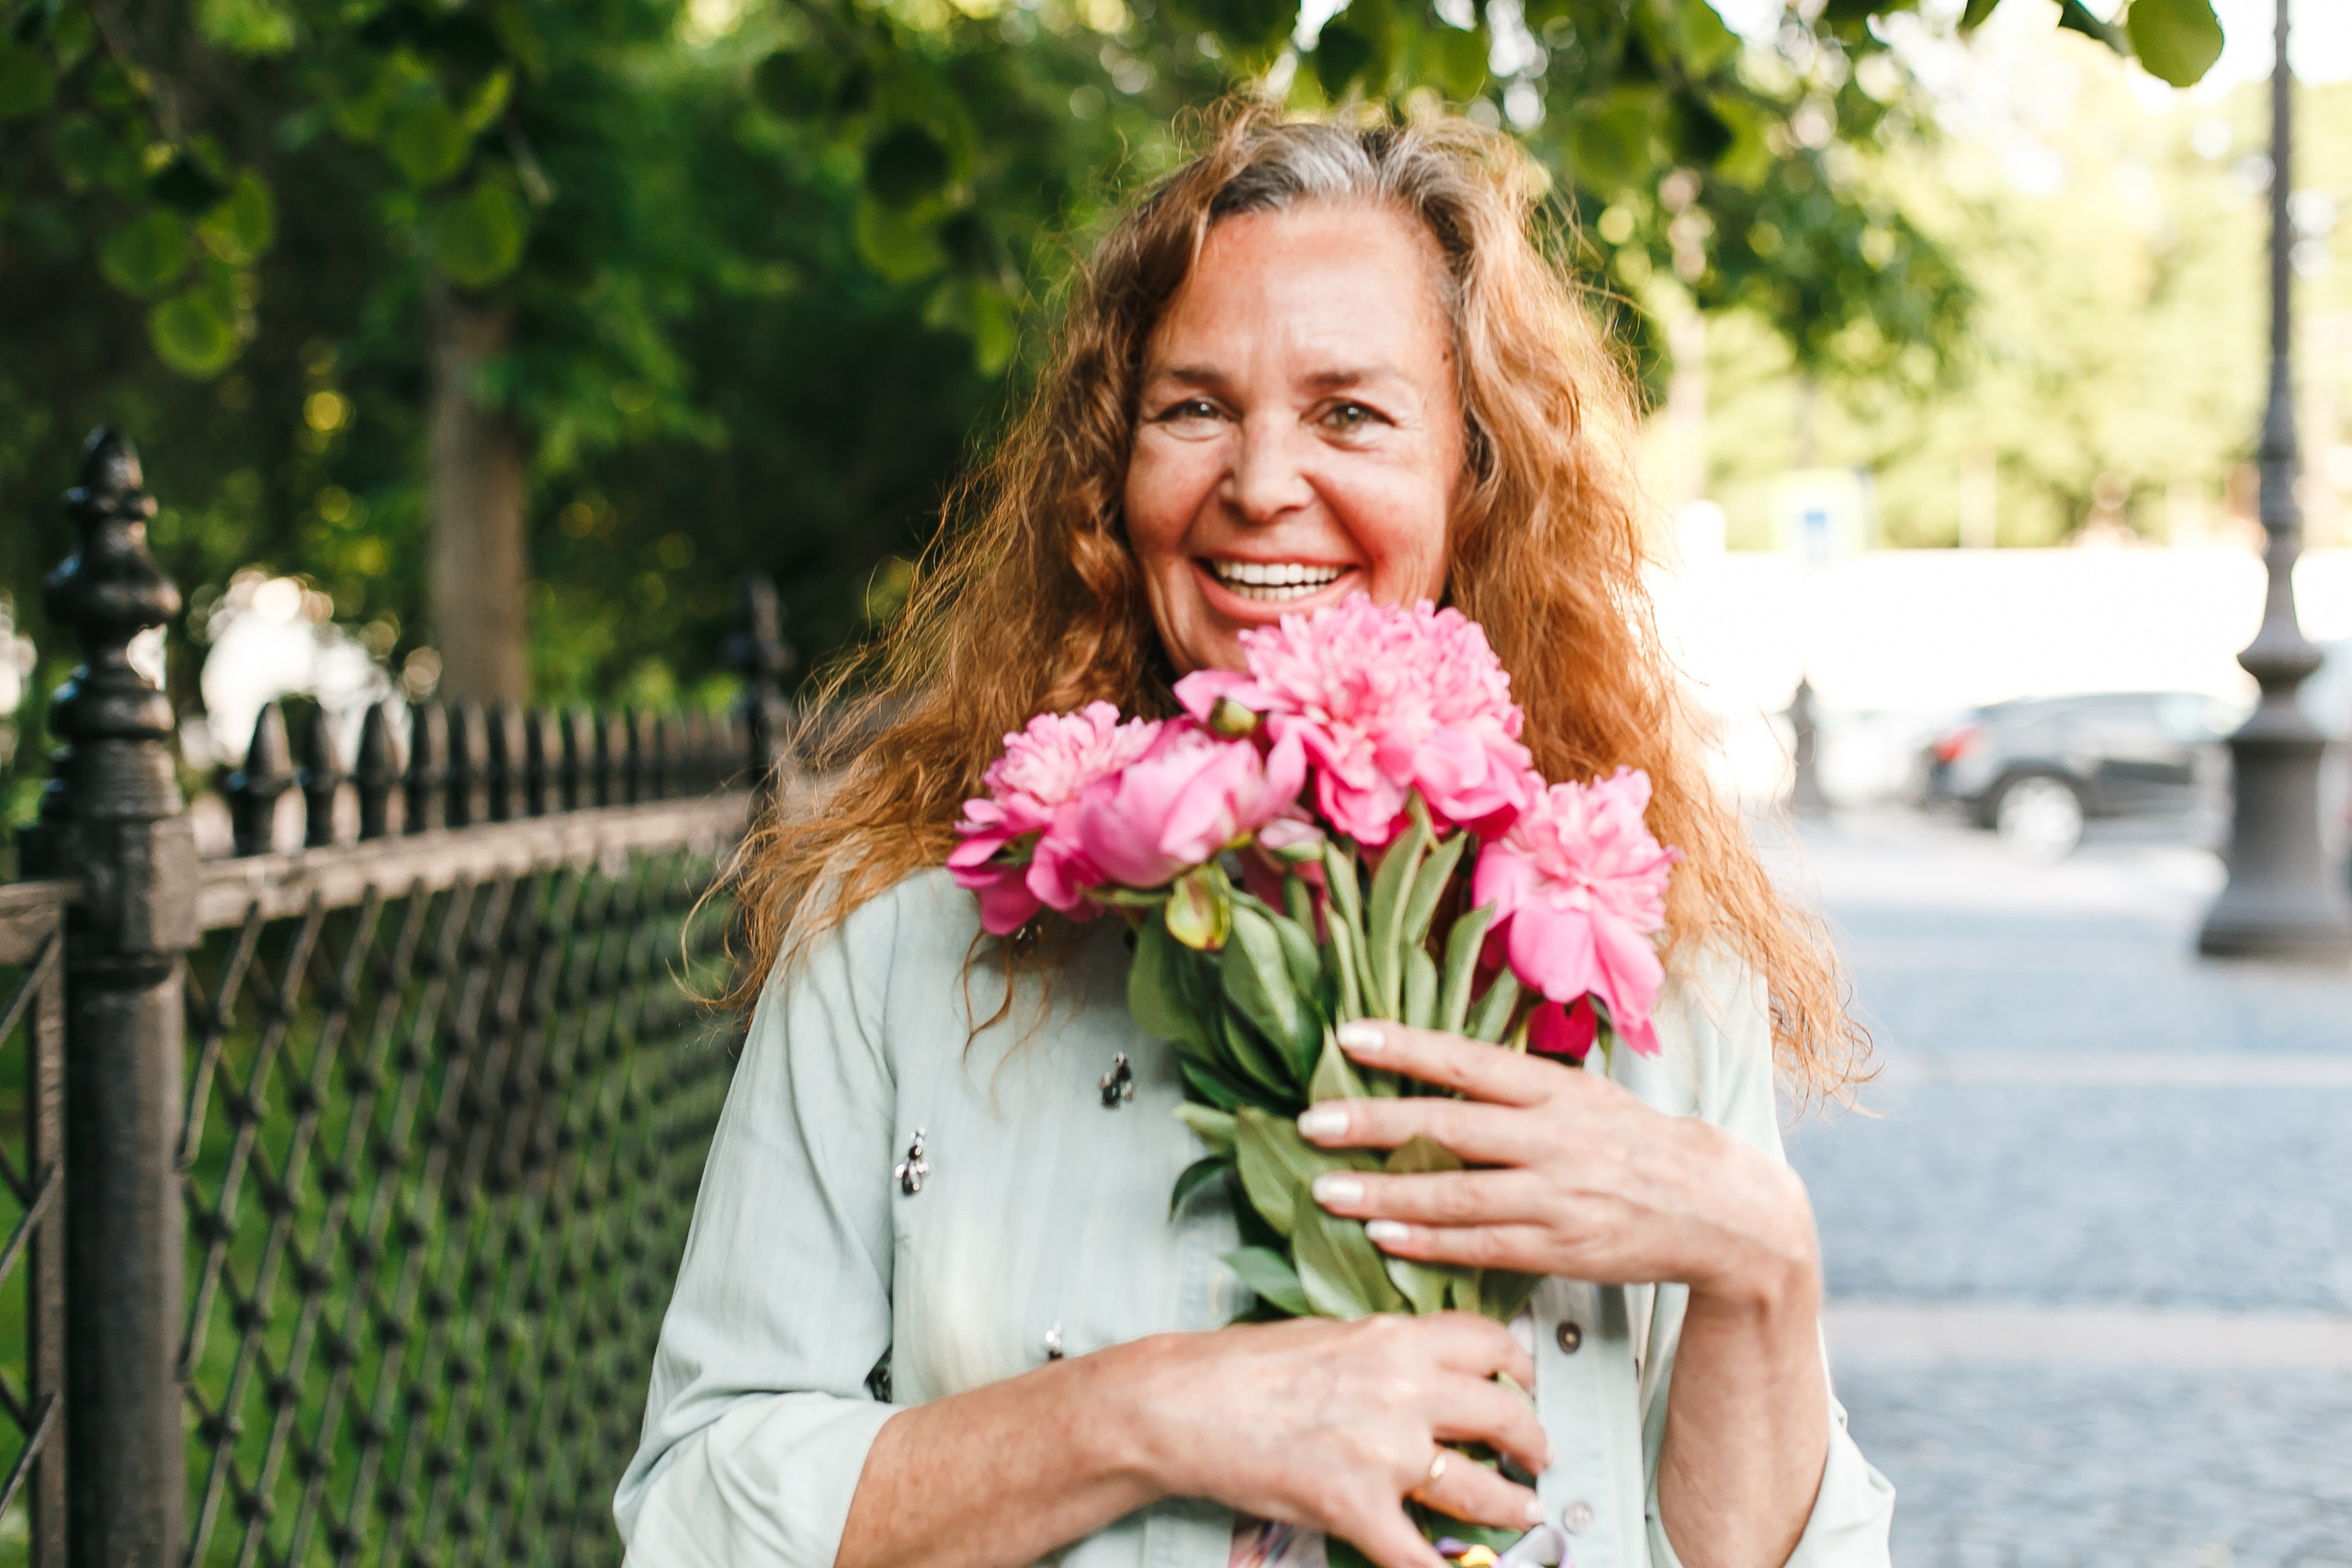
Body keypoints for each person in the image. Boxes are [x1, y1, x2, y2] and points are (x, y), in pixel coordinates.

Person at [616, 104, 1893, 1568]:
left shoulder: (1636, 947)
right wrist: (1154, 1411)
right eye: (1195, 409)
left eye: (1350, 413)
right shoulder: (898, 938)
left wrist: (1761, 1262)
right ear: (1113, 470)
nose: (1262, 482)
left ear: (1474, 478)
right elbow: (697, 1510)